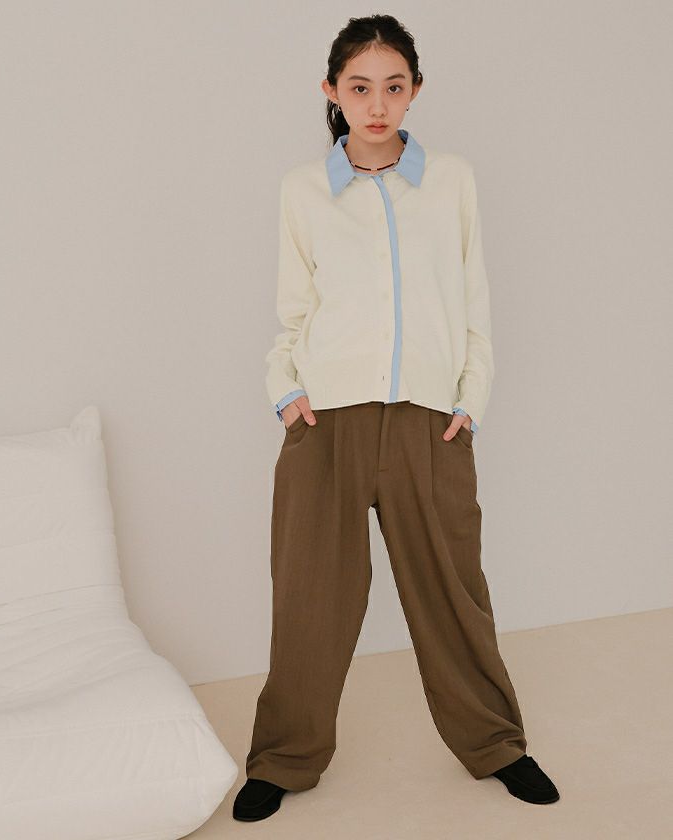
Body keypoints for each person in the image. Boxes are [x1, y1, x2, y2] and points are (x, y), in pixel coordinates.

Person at [233, 13, 559, 823]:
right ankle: (284, 759)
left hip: (429, 421)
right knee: (309, 600)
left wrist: (470, 401)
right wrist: (286, 392)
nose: (376, 105)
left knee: (453, 593)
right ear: (332, 93)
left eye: (393, 87)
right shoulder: (303, 191)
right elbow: (292, 311)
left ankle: (496, 745)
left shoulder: (451, 181)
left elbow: (474, 301)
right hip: (325, 424)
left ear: (415, 91)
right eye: (359, 88)